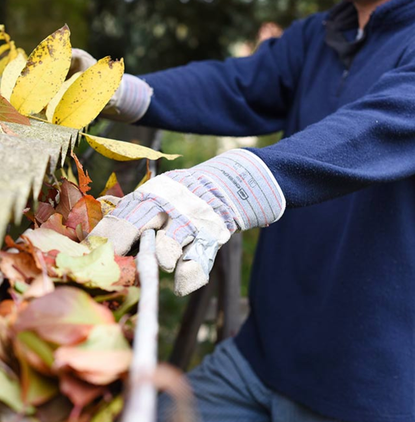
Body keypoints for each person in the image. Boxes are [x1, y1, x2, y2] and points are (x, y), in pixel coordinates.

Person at [76, 0, 415, 421]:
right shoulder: (323, 33)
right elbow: (238, 84)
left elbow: (384, 124)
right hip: (259, 357)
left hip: (365, 392)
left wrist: (238, 183)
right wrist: (123, 91)